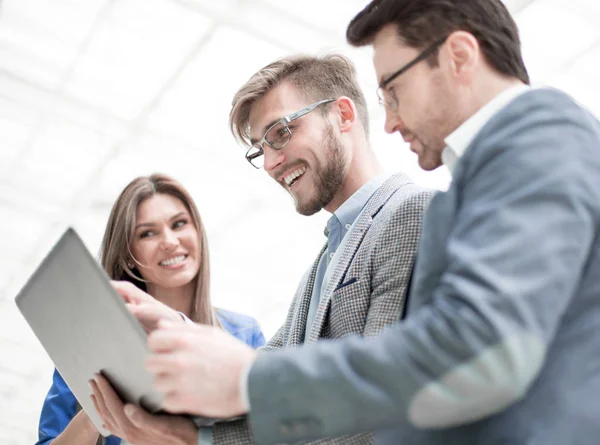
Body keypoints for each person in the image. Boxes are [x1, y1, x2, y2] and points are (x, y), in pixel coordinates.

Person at [137, 1, 600, 444]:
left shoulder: (538, 136)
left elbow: (475, 351)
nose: (391, 122)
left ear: (459, 56)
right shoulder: (481, 179)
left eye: (393, 91)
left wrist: (247, 381)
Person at [94, 54, 433, 444]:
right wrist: (175, 330)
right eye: (260, 149)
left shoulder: (411, 211)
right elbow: (265, 381)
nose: (271, 162)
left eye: (282, 133)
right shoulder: (322, 263)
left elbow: (380, 395)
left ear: (342, 115)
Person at [35, 173, 265, 445]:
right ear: (129, 256)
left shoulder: (243, 334)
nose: (169, 241)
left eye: (179, 224)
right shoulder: (90, 348)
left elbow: (270, 432)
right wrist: (96, 413)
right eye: (147, 233)